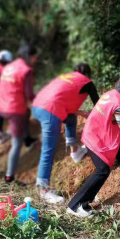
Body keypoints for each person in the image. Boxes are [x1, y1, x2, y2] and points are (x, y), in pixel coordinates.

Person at [67, 69, 120, 218]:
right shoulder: (119, 102)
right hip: (96, 139)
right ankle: (76, 205)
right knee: (102, 171)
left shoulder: (111, 94)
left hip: (92, 131)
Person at [32, 63, 100, 204]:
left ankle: (75, 152)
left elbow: (61, 101)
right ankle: (43, 189)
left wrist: (81, 112)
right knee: (48, 150)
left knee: (70, 118)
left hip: (37, 106)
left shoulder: (66, 78)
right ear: (87, 74)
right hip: (50, 112)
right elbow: (98, 105)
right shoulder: (87, 82)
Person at [0, 43, 38, 185]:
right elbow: (29, 95)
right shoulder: (26, 70)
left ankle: (28, 139)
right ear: (30, 56)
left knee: (26, 114)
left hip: (2, 106)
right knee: (16, 143)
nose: (34, 60)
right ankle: (9, 177)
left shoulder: (9, 67)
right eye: (34, 57)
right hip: (14, 110)